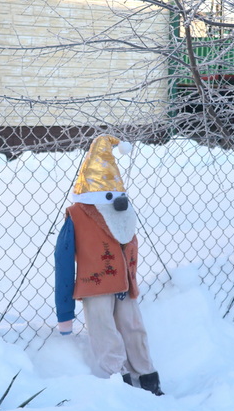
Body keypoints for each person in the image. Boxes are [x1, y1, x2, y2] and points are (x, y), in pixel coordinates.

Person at [54, 135, 163, 395]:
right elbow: (64, 263)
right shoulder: (77, 216)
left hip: (124, 286)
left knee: (133, 328)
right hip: (94, 287)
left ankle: (147, 377)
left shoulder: (123, 212)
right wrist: (65, 313)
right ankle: (119, 380)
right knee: (105, 330)